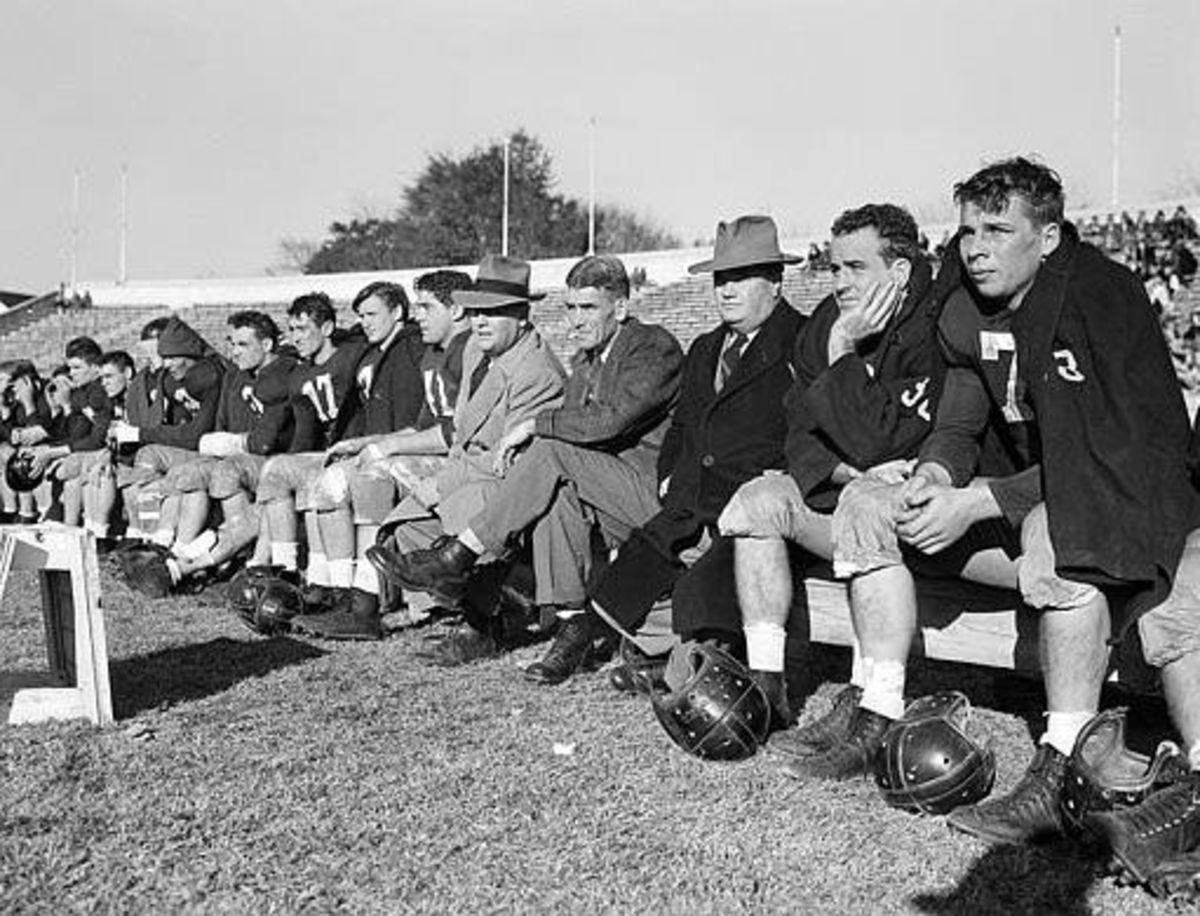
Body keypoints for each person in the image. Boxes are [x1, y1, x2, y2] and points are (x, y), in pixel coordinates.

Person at [804, 158, 1200, 843]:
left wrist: (980, 503)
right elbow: (958, 421)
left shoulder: (1103, 296)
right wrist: (935, 475)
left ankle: (1063, 764)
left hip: (1132, 504)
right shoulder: (964, 305)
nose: (977, 247)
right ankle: (878, 704)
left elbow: (1104, 459)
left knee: (1056, 527)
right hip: (1025, 496)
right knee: (874, 497)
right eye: (966, 232)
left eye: (997, 229)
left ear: (1047, 238)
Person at [674, 203, 946, 747]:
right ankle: (768, 682)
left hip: (917, 511)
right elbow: (797, 433)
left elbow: (887, 441)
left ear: (899, 271)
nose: (840, 281)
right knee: (758, 499)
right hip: (845, 488)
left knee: (868, 503)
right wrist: (846, 469)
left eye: (855, 267)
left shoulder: (936, 323)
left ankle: (874, 702)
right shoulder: (825, 320)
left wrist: (844, 352)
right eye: (834, 267)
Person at [516, 215, 806, 689]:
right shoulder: (708, 346)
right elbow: (685, 427)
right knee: (638, 565)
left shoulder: (802, 340)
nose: (726, 291)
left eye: (740, 278)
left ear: (775, 282)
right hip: (689, 500)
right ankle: (625, 641)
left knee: (699, 580)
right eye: (720, 279)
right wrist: (671, 474)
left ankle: (675, 659)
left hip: (755, 503)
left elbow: (806, 427)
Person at [369, 254, 684, 664]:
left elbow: (612, 421)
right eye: (570, 308)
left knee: (548, 450)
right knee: (551, 483)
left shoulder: (652, 345)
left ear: (621, 308)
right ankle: (572, 628)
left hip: (645, 496)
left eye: (588, 308)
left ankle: (460, 560)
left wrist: (536, 424)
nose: (575, 320)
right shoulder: (584, 360)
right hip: (593, 490)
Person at [289, 254, 565, 640]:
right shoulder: (477, 351)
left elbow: (509, 464)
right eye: (476, 312)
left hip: (506, 490)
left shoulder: (536, 371)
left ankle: (491, 610)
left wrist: (443, 483)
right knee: (404, 527)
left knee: (414, 502)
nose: (480, 321)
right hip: (467, 474)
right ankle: (395, 607)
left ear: (521, 315)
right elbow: (464, 433)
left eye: (494, 312)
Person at [290, 271, 472, 637]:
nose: (419, 315)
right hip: (437, 450)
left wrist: (386, 447)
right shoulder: (433, 354)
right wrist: (367, 443)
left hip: (463, 460)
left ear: (456, 309)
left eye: (426, 306)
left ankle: (366, 603)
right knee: (338, 474)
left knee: (367, 475)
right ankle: (342, 593)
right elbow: (418, 427)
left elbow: (462, 431)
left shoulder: (467, 350)